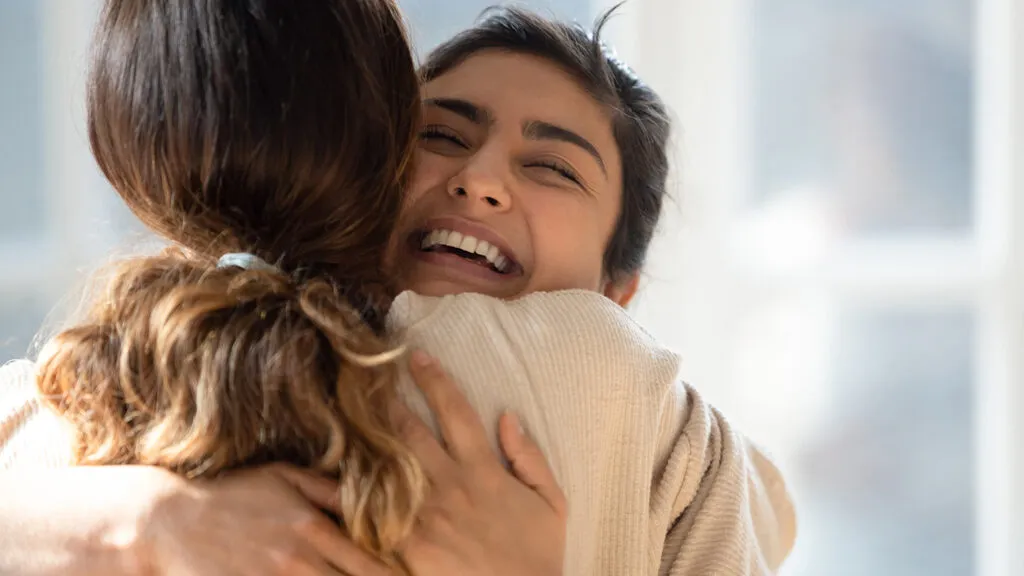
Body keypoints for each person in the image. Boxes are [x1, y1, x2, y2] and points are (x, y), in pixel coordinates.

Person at [1, 5, 796, 576]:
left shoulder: (677, 446)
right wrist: (141, 522)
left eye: (552, 167)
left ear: (617, 289)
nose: (480, 179)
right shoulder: (123, 363)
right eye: (442, 135)